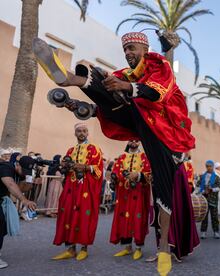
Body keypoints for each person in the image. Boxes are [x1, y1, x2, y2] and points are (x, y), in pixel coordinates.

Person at [33, 32, 198, 275]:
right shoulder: (126, 74)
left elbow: (156, 93)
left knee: (164, 191)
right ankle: (66, 78)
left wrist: (126, 85)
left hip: (167, 133)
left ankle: (164, 249)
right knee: (106, 88)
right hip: (141, 123)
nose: (128, 53)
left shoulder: (157, 64)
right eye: (125, 50)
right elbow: (113, 89)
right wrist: (103, 85)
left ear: (144, 48)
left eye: (132, 48)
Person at [52, 123, 103, 261]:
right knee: (67, 214)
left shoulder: (94, 149)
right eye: (79, 131)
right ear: (75, 133)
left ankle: (84, 249)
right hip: (70, 188)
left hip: (86, 188)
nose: (81, 133)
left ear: (87, 133)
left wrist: (86, 167)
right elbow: (66, 169)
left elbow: (99, 170)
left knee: (84, 216)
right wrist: (65, 167)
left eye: (84, 131)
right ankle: (71, 249)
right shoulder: (70, 150)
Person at [110, 140, 151, 261]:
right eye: (131, 140)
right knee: (124, 217)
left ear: (139, 142)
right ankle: (127, 247)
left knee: (138, 217)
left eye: (136, 140)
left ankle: (138, 248)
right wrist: (115, 176)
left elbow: (148, 174)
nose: (133, 142)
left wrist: (138, 176)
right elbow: (116, 171)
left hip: (138, 194)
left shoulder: (144, 157)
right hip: (124, 194)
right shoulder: (122, 157)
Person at [0, 156, 37, 268]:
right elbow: (11, 185)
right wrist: (24, 200)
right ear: (17, 164)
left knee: (2, 228)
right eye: (24, 170)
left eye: (28, 172)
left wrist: (31, 179)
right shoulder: (6, 167)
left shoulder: (18, 173)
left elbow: (21, 189)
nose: (25, 174)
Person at [198, 160, 220, 239]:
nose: (209, 168)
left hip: (213, 200)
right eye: (207, 166)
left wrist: (212, 189)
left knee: (214, 216)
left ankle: (216, 232)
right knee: (204, 217)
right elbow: (198, 186)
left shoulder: (216, 177)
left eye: (210, 166)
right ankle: (203, 232)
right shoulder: (202, 176)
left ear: (213, 167)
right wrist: (203, 191)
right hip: (204, 200)